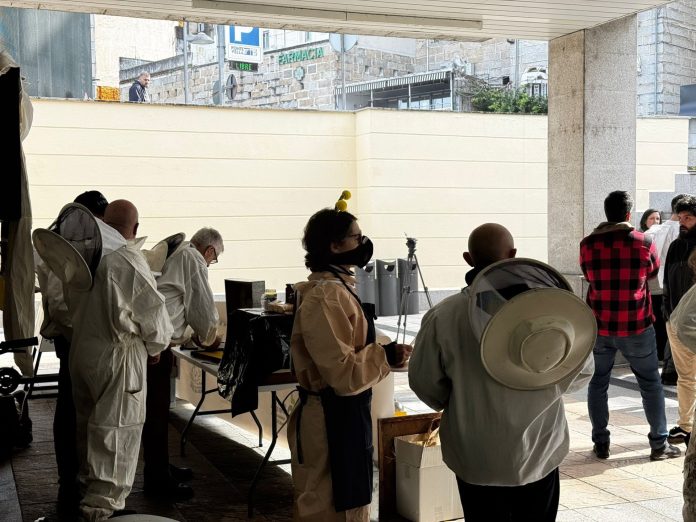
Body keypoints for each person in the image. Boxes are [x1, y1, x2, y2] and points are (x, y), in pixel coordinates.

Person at [409, 223, 595, 521]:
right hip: (539, 451)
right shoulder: (552, 310)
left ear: (468, 259)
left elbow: (425, 384)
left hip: (476, 455)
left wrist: (460, 399)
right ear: (513, 254)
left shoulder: (444, 315)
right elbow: (582, 372)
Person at [288, 208, 412, 521]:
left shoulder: (339, 288)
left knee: (351, 500)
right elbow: (342, 374)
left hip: (346, 414)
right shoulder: (325, 297)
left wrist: (383, 354)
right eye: (356, 237)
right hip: (329, 419)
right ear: (334, 246)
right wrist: (385, 356)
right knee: (328, 505)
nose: (363, 242)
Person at [70, 199, 173, 520]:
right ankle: (102, 510)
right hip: (118, 358)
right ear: (135, 228)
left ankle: (87, 493)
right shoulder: (126, 258)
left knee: (88, 429)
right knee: (116, 431)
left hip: (83, 352)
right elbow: (154, 314)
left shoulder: (83, 254)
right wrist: (155, 347)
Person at [580, 190, 678, 460]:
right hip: (636, 325)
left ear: (606, 213)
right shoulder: (644, 241)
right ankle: (659, 443)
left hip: (599, 326)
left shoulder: (587, 244)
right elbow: (653, 273)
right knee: (650, 383)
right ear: (627, 214)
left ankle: (601, 442)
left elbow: (587, 275)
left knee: (598, 382)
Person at [34, 191, 109, 513]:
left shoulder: (70, 243)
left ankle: (81, 482)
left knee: (81, 410)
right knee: (71, 411)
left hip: (80, 339)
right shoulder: (59, 249)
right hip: (73, 340)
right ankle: (69, 486)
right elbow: (60, 304)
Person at [142, 227, 224, 501]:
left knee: (157, 412)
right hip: (158, 345)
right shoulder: (193, 259)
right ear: (209, 251)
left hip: (157, 341)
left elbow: (180, 303)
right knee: (156, 414)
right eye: (214, 258)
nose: (211, 263)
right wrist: (210, 337)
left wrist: (196, 335)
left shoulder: (179, 253)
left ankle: (160, 466)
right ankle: (157, 479)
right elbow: (202, 307)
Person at [663, 250, 696, 520]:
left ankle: (686, 425)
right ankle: (685, 425)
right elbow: (686, 325)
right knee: (687, 379)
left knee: (687, 379)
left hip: (677, 326)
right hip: (680, 330)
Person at [645, 194, 689, 384]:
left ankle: (669, 367)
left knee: (670, 327)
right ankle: (671, 369)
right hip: (678, 286)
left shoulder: (654, 231)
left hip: (660, 284)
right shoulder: (681, 235)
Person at [664, 195, 696, 445]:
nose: (683, 222)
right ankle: (685, 426)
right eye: (680, 217)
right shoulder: (676, 246)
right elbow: (667, 281)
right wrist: (667, 312)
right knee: (685, 377)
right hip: (676, 320)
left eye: (689, 218)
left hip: (691, 321)